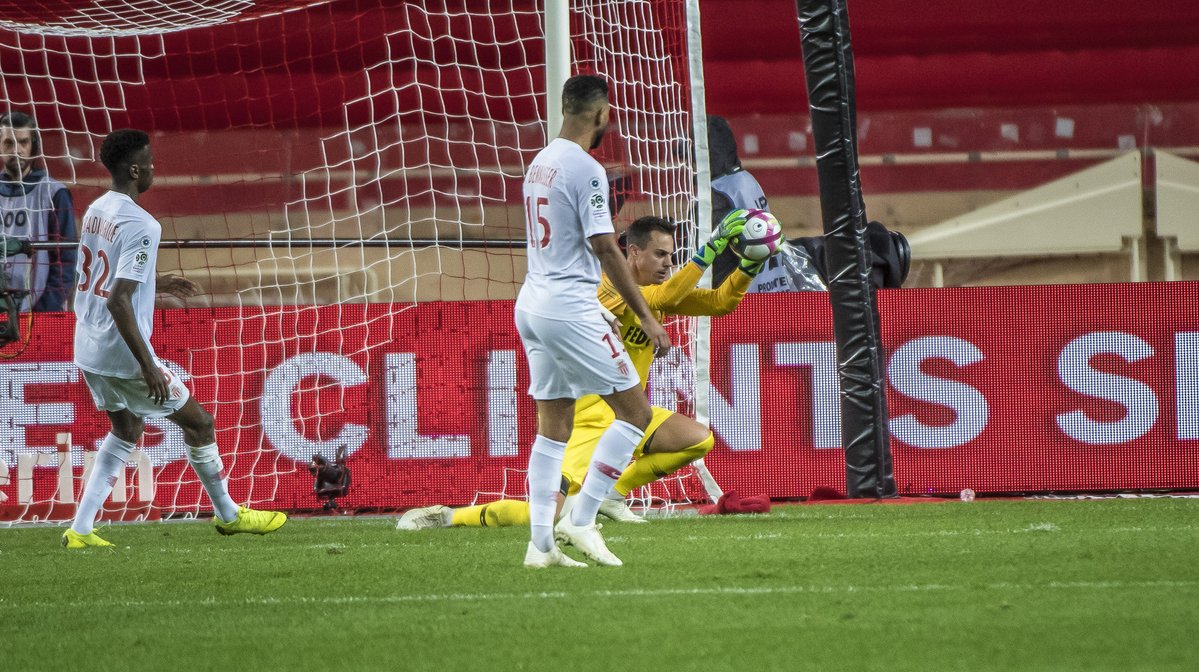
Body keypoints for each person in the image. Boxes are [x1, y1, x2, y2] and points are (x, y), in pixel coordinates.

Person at [397, 213, 763, 533]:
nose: (668, 262)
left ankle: (611, 495)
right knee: (546, 516)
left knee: (698, 440)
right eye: (660, 254)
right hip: (585, 417)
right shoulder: (609, 289)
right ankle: (447, 517)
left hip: (630, 415)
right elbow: (665, 298)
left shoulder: (659, 292)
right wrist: (710, 250)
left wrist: (749, 264)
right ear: (632, 253)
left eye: (672, 255)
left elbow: (720, 302)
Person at [63, 129, 286, 549]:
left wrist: (155, 282)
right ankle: (230, 515)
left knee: (126, 428)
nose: (153, 169)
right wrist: (148, 367)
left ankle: (80, 529)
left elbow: (99, 278)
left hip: (87, 345)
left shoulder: (97, 209)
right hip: (120, 352)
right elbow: (118, 301)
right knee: (199, 423)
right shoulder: (143, 223)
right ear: (134, 169)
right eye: (149, 163)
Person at [508, 74, 675, 569]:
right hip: (568, 307)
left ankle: (540, 548)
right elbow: (605, 246)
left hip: (532, 303)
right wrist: (646, 317)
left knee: (552, 428)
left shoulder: (539, 163)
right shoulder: (586, 169)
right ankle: (580, 520)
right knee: (637, 414)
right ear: (603, 115)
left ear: (565, 108)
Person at [706, 114, 909, 292]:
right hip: (767, 285)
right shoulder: (743, 181)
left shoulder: (718, 195)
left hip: (747, 300)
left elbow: (709, 258)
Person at [0, 111, 77, 312]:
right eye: (8, 143)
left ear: (34, 145)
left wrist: (46, 310)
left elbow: (66, 259)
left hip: (40, 311)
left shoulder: (54, 193)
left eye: (23, 142)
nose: (16, 150)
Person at [310, 446, 351, 512]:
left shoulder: (344, 470)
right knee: (323, 470)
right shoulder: (329, 468)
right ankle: (330, 506)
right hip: (326, 483)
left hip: (339, 486)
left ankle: (333, 507)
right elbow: (318, 478)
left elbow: (344, 483)